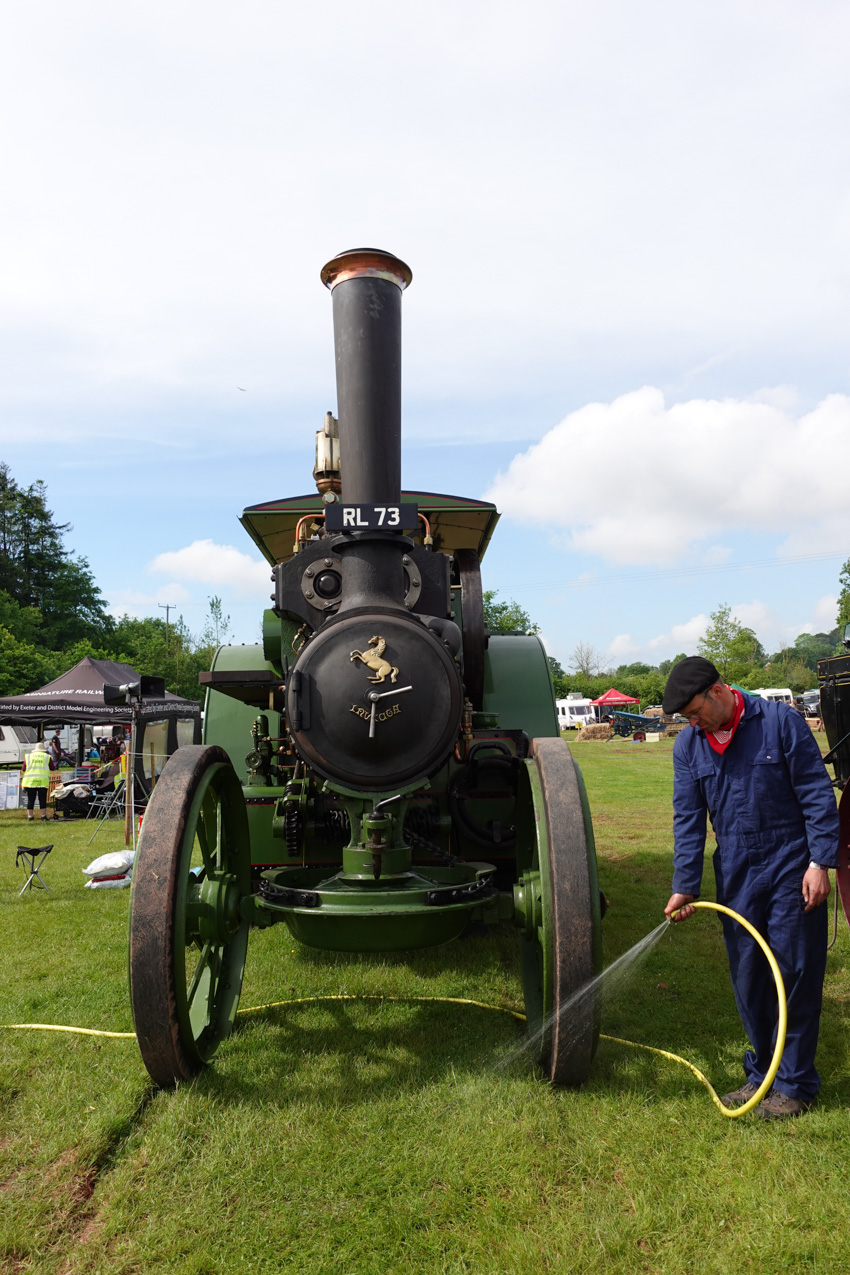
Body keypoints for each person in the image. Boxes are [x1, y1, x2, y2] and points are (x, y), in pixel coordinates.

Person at [662, 656, 839, 1120]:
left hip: (791, 863)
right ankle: (762, 1074)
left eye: (696, 712)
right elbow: (687, 819)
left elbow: (817, 795)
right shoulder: (688, 746)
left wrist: (820, 862)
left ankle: (795, 1085)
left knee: (794, 973)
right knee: (749, 975)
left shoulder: (780, 723)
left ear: (718, 690)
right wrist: (685, 884)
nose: (693, 723)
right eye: (686, 718)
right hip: (737, 869)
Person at [21, 742, 57, 822]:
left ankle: (30, 816)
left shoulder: (28, 756)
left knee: (30, 799)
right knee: (42, 799)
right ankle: (43, 816)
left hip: (30, 781)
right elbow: (52, 768)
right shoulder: (47, 757)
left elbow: (23, 768)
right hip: (42, 781)